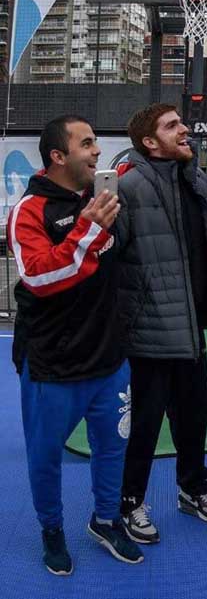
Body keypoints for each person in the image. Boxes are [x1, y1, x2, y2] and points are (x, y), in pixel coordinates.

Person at [8, 115, 143, 575]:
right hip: (54, 365)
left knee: (112, 449)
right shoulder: (28, 210)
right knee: (46, 459)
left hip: (109, 358)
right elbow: (40, 276)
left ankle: (106, 520)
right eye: (87, 144)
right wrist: (87, 231)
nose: (97, 152)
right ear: (57, 157)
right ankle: (52, 530)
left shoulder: (100, 193)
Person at [117, 104, 207, 544]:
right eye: (172, 126)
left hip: (192, 325)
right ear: (150, 142)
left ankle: (193, 489)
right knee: (146, 425)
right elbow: (112, 259)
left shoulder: (192, 178)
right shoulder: (129, 187)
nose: (184, 129)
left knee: (194, 417)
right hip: (151, 331)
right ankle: (130, 502)